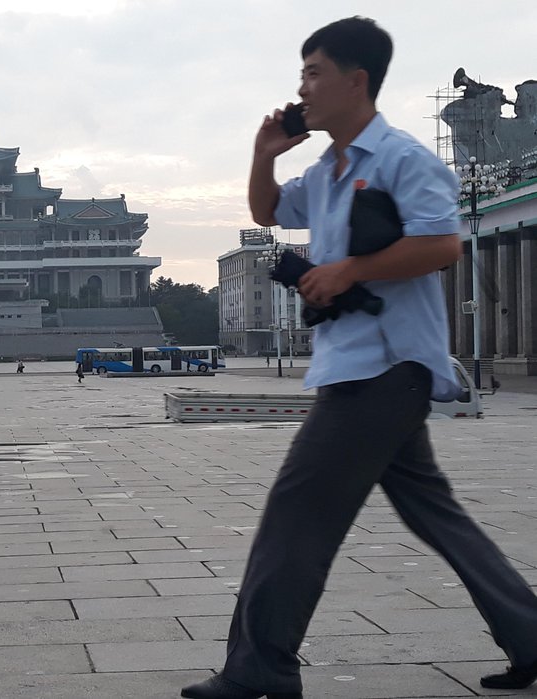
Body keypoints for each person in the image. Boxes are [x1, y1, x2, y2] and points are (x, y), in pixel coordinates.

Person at [181, 17, 537, 699]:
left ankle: (261, 666)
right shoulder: (327, 169)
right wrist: (264, 151)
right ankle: (530, 633)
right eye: (302, 74)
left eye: (314, 72)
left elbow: (442, 245)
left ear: (356, 80)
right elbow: (268, 207)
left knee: (296, 512)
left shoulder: (405, 159)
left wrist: (346, 270)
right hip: (356, 363)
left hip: (385, 368)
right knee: (435, 511)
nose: (303, 87)